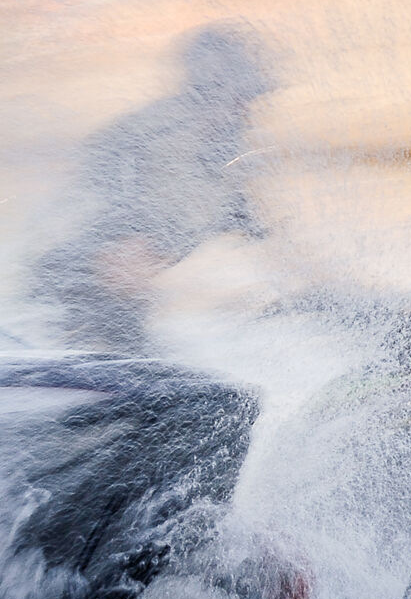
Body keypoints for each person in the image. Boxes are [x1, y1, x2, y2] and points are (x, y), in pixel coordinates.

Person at [29, 21, 278, 354]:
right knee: (120, 355)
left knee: (143, 352)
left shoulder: (229, 150)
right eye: (242, 95)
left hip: (119, 285)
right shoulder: (160, 131)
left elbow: (247, 220)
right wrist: (127, 234)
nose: (249, 108)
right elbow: (99, 163)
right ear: (211, 90)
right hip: (86, 280)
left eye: (253, 96)